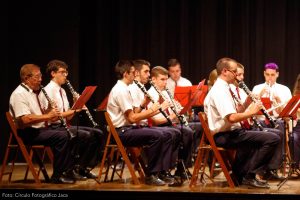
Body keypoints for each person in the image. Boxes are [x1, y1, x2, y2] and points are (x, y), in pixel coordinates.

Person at [204, 57, 280, 188]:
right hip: (223, 136)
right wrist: (252, 112)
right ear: (225, 71)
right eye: (234, 72)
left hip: (231, 132)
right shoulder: (219, 91)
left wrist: (247, 103)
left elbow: (235, 111)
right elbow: (231, 118)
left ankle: (240, 174)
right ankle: (249, 175)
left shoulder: (225, 88)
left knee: (266, 136)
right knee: (272, 138)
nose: (237, 75)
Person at [107, 60, 175, 186]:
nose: (135, 75)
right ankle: (151, 174)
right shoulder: (121, 90)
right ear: (125, 74)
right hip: (121, 132)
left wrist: (143, 104)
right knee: (158, 136)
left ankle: (160, 171)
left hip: (128, 128)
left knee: (167, 134)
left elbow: (134, 114)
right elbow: (132, 119)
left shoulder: (124, 88)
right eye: (133, 72)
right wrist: (152, 110)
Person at [9, 64, 78, 184]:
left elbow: (38, 114)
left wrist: (49, 111)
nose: (41, 79)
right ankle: (57, 176)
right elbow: (25, 119)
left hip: (39, 130)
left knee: (71, 132)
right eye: (37, 76)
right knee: (62, 136)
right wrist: (48, 116)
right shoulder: (19, 94)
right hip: (27, 133)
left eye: (40, 75)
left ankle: (69, 170)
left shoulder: (32, 92)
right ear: (26, 78)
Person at [39, 59, 105, 180]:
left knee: (98, 133)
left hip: (64, 125)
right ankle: (71, 169)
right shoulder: (47, 91)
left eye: (66, 72)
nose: (66, 75)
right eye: (62, 72)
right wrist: (75, 110)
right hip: (53, 127)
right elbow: (53, 116)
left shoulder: (62, 91)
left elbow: (68, 116)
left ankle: (82, 168)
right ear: (53, 73)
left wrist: (77, 104)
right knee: (86, 135)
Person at [147, 66, 195, 180]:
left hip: (168, 123)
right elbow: (155, 120)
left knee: (189, 131)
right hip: (158, 126)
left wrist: (179, 113)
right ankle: (167, 169)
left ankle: (181, 167)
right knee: (182, 132)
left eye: (166, 79)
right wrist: (173, 116)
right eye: (162, 79)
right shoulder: (151, 93)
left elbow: (171, 115)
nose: (165, 82)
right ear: (153, 79)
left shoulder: (165, 92)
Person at [292, 74, 300, 169]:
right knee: (294, 138)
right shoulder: (296, 94)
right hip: (299, 124)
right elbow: (293, 112)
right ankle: (295, 167)